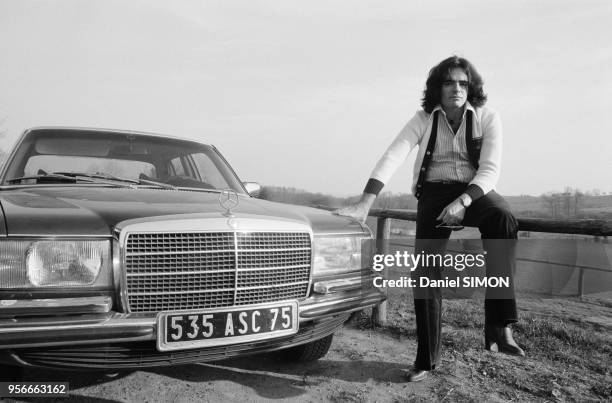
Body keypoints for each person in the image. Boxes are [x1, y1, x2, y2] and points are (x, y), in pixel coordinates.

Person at [334, 55, 525, 382]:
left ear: (471, 87)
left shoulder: (487, 117)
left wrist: (463, 201)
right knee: (425, 271)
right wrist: (366, 201)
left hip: (474, 190)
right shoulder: (423, 118)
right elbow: (393, 155)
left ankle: (499, 326)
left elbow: (490, 170)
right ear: (437, 88)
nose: (456, 88)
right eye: (449, 82)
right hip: (434, 193)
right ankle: (426, 359)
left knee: (503, 218)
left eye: (463, 83)